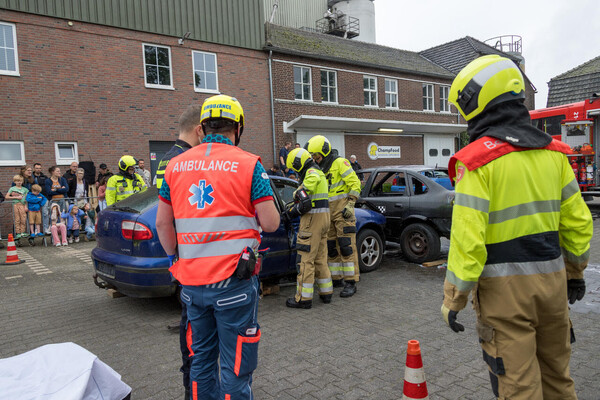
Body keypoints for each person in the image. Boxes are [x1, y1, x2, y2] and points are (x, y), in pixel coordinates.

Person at [440, 55, 593, 400]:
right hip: (554, 288)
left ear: (476, 101)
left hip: (504, 296)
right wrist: (575, 272)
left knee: (519, 388)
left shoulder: (476, 162)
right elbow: (579, 224)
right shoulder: (555, 154)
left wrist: (454, 299)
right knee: (558, 380)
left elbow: (468, 240)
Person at [156, 94, 279, 400]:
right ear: (238, 128)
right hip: (234, 286)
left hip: (192, 287)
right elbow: (271, 222)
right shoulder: (250, 165)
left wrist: (175, 262)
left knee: (200, 364)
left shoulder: (174, 166)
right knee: (236, 368)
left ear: (203, 126)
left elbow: (162, 224)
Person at [154, 104, 203, 398]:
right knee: (196, 334)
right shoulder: (188, 160)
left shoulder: (167, 159)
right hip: (193, 253)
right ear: (199, 130)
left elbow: (163, 215)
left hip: (179, 252)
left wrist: (172, 254)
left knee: (191, 329)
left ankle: (192, 387)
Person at [305, 135, 362, 297]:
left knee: (346, 245)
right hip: (327, 212)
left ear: (324, 152)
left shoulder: (339, 163)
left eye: (316, 155)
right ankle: (336, 278)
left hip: (343, 210)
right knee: (331, 247)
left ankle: (351, 281)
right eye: (313, 156)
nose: (315, 158)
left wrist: (351, 203)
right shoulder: (320, 168)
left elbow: (355, 183)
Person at [283, 148, 333, 308]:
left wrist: (295, 197)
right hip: (324, 219)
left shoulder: (311, 173)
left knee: (305, 260)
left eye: (295, 168)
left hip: (312, 220)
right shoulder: (320, 172)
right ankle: (326, 293)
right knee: (320, 258)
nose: (296, 171)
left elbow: (304, 194)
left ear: (298, 163)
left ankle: (303, 299)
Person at [6, 175, 29, 240]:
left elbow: (26, 199)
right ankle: (18, 232)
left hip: (23, 205)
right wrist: (16, 197)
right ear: (15, 181)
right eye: (17, 181)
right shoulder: (12, 189)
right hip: (16, 204)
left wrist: (26, 206)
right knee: (17, 219)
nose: (19, 182)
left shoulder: (25, 189)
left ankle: (22, 232)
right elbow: (7, 197)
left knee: (23, 218)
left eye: (20, 181)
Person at [32, 163, 50, 234]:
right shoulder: (31, 177)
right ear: (34, 169)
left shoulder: (45, 177)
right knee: (36, 214)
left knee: (45, 213)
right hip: (35, 198)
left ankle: (46, 228)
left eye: (39, 168)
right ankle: (36, 229)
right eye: (36, 168)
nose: (38, 169)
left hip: (44, 197)